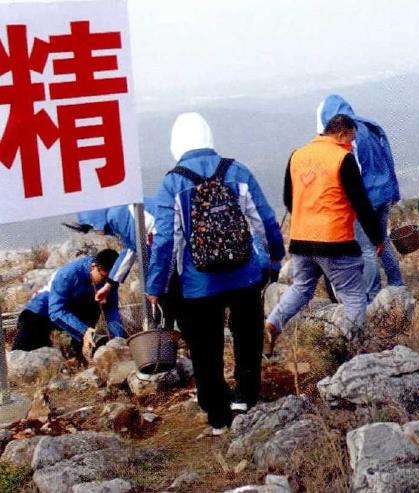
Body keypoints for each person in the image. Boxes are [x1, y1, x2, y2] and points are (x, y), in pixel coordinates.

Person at [146, 112, 285, 434]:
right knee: (247, 337)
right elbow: (263, 220)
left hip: (198, 284)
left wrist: (157, 285)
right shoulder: (237, 171)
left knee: (205, 346)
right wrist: (274, 259)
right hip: (245, 275)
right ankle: (246, 399)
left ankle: (217, 413)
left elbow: (167, 239)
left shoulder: (172, 183)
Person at [266, 114, 383, 349]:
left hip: (300, 239)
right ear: (341, 134)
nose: (352, 143)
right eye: (351, 137)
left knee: (301, 287)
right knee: (353, 295)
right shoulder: (343, 158)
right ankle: (352, 348)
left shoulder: (297, 156)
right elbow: (361, 203)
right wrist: (377, 238)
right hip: (334, 240)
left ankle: (271, 325)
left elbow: (289, 200)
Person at [316, 95, 403, 301]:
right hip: (384, 193)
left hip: (367, 199)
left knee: (367, 248)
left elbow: (351, 172)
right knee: (381, 241)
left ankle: (371, 297)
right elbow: (388, 159)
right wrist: (394, 191)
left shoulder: (345, 135)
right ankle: (396, 284)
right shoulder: (369, 126)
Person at [70, 200, 191, 329]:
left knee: (166, 296)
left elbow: (136, 249)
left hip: (172, 244)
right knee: (169, 295)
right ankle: (174, 333)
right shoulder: (118, 212)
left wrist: (154, 287)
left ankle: (169, 337)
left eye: (91, 228)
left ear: (95, 220)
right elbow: (131, 249)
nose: (95, 232)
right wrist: (109, 286)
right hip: (174, 241)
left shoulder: (117, 215)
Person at [12, 249, 124, 359]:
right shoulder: (68, 274)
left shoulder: (109, 280)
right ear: (94, 267)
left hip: (75, 312)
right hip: (41, 313)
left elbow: (111, 309)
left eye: (110, 281)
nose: (107, 284)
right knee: (23, 357)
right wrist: (84, 331)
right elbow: (56, 311)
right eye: (104, 278)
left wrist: (118, 339)